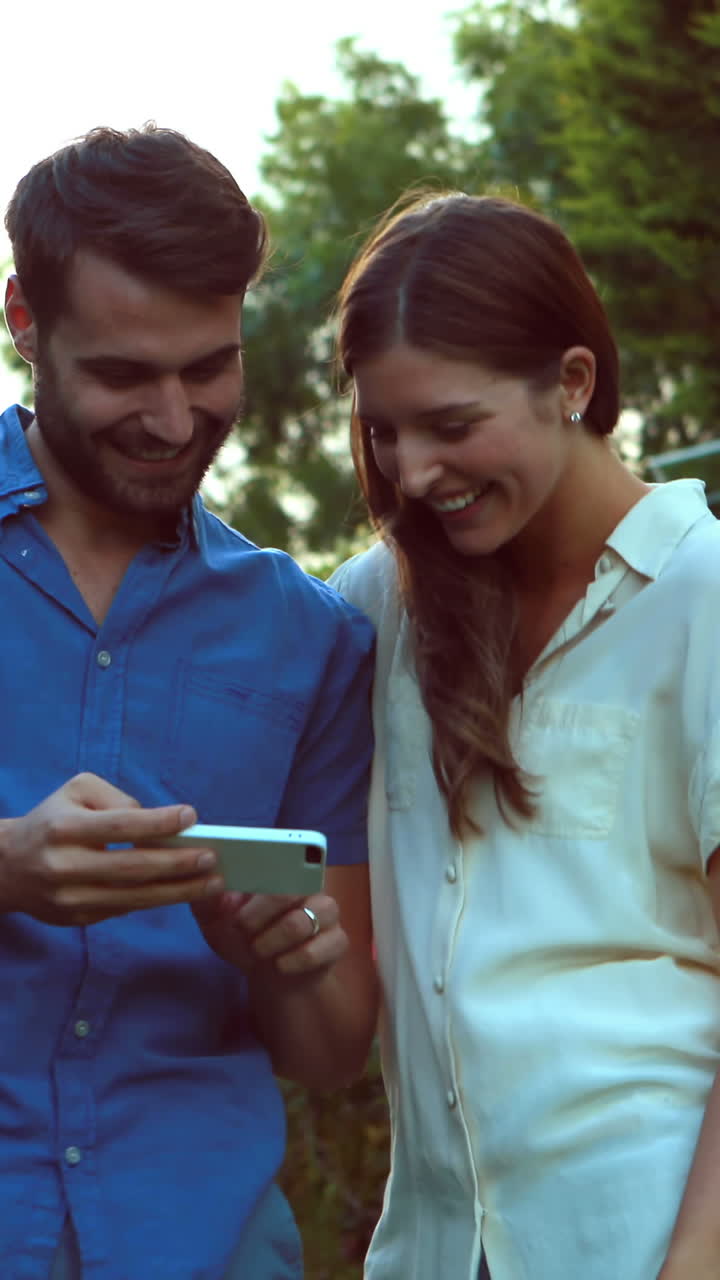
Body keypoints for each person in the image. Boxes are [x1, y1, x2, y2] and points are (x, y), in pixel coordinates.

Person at [0, 124, 378, 1280]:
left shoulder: (310, 635)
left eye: (209, 366)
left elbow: (329, 1050)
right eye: (122, 374)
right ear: (23, 320)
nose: (174, 421)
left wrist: (288, 957)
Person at [329, 191, 720, 1280]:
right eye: (384, 431)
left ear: (575, 383)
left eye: (452, 425)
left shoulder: (704, 599)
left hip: (646, 1242)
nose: (411, 472)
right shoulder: (374, 613)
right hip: (432, 1252)